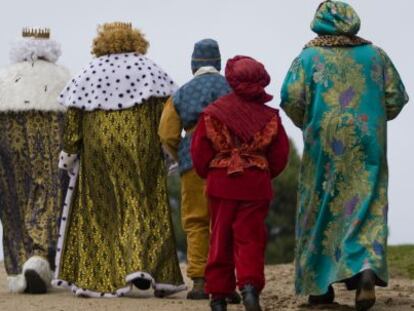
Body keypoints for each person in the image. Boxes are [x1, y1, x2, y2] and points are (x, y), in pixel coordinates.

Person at [280, 1, 409, 310]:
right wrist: (373, 116)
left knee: (321, 207)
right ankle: (365, 271)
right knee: (366, 205)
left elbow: (291, 98)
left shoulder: (308, 57)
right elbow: (396, 97)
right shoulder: (376, 56)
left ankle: (321, 290)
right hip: (368, 142)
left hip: (324, 143)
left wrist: (308, 123)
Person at [53, 22, 185, 298]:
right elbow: (166, 114)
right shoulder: (150, 70)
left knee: (101, 211)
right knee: (141, 203)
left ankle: (103, 275)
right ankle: (140, 267)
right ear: (137, 41)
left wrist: (69, 152)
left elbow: (74, 120)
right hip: (141, 147)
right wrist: (170, 151)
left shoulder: (88, 72)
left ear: (100, 43)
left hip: (99, 150)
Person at [191, 55, 290, 311]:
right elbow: (280, 156)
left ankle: (218, 296)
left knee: (220, 236)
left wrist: (211, 173)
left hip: (221, 183)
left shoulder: (213, 113)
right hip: (255, 184)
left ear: (232, 79)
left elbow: (200, 153)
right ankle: (249, 288)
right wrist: (262, 172)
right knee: (250, 239)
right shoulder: (270, 117)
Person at [158, 38, 234, 300]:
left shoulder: (181, 93)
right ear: (218, 62)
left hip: (193, 162)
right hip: (228, 163)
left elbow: (167, 132)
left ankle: (200, 281)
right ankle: (226, 282)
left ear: (193, 64)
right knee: (225, 221)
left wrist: (182, 151)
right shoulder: (231, 88)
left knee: (195, 221)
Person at [0, 28, 70, 294]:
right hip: (53, 126)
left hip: (8, 126)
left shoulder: (4, 79)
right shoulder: (63, 77)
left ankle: (20, 264)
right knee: (49, 187)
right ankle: (39, 255)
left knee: (12, 194)